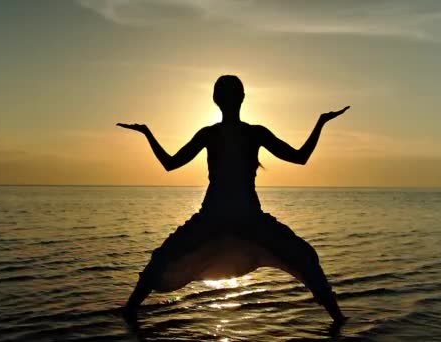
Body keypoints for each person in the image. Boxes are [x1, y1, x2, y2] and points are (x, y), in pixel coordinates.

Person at [117, 75, 349, 323]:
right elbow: (301, 157)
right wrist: (320, 123)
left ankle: (130, 310)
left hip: (232, 216)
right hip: (229, 216)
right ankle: (338, 318)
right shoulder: (240, 133)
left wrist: (147, 133)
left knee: (163, 258)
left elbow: (169, 164)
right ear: (241, 98)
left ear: (216, 99)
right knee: (303, 257)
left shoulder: (224, 134)